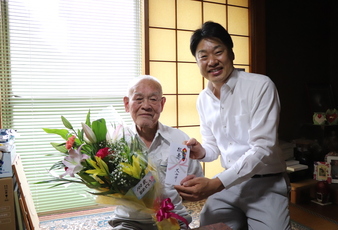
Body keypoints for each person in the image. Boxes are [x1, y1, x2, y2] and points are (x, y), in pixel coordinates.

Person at [174, 21, 291, 230]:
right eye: (203, 56)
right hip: (230, 185)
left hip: (267, 183)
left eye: (218, 52)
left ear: (231, 53)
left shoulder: (261, 85)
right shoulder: (203, 99)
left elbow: (262, 148)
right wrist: (201, 151)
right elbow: (213, 148)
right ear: (197, 62)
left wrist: (215, 184)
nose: (212, 61)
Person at [108, 75, 203, 230]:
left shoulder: (180, 140)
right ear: (126, 104)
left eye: (153, 99)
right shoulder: (115, 142)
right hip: (129, 222)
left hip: (172, 218)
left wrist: (193, 186)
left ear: (162, 103)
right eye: (138, 99)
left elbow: (197, 183)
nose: (146, 106)